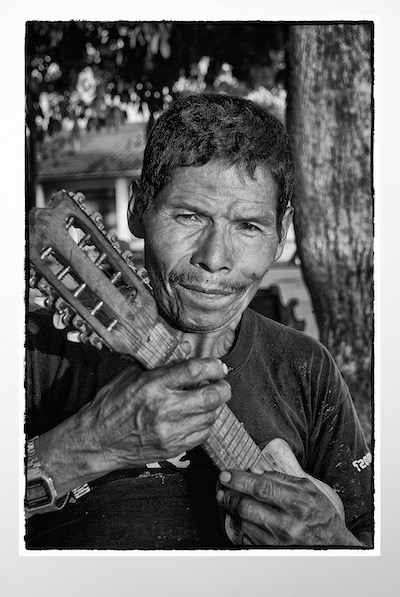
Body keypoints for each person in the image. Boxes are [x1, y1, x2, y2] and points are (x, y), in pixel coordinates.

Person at [25, 93, 372, 549]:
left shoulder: (305, 368)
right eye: (189, 216)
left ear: (281, 233)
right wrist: (87, 444)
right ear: (138, 211)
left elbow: (374, 549)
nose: (214, 259)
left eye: (249, 226)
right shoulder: (37, 353)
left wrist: (332, 542)